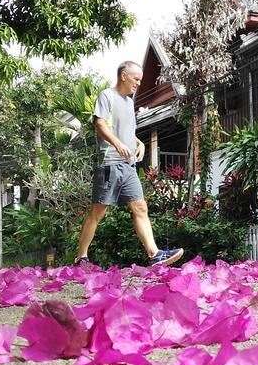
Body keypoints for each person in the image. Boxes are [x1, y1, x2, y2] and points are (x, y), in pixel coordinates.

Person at [74, 61, 184, 267]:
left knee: (140, 207)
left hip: (128, 165)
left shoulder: (127, 102)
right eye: (136, 79)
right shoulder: (106, 96)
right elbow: (100, 124)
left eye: (140, 80)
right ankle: (82, 256)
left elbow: (127, 132)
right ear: (124, 76)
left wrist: (139, 143)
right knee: (99, 211)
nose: (138, 84)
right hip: (109, 164)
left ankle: (154, 254)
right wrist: (116, 144)